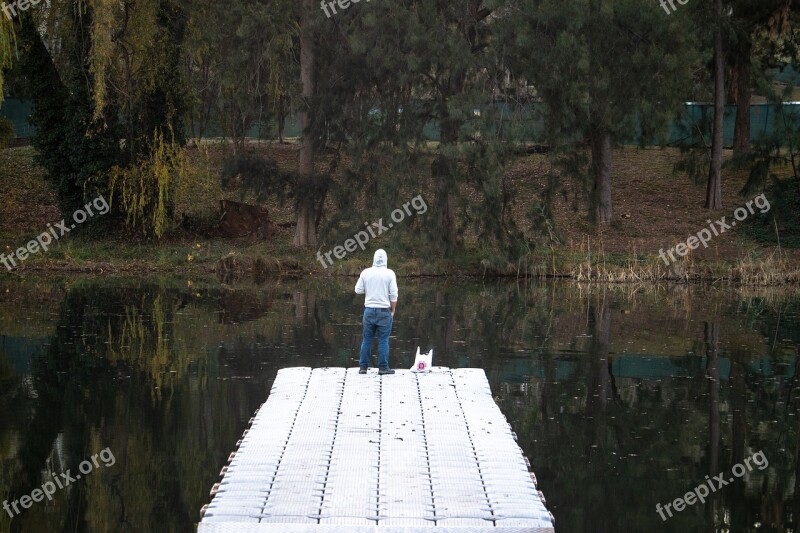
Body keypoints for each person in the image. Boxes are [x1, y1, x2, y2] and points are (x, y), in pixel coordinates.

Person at [355, 249, 398, 375]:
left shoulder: (365, 273)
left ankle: (363, 367)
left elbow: (358, 290)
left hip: (368, 311)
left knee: (367, 339)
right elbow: (393, 294)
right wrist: (393, 310)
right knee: (383, 340)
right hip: (384, 311)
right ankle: (383, 368)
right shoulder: (390, 274)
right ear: (386, 259)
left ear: (373, 259)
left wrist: (370, 290)